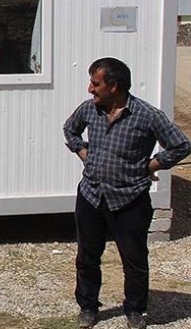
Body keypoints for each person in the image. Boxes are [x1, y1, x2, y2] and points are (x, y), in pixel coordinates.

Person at [63, 57, 190, 329]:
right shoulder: (89, 109)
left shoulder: (147, 115)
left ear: (114, 86)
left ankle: (134, 310)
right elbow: (70, 130)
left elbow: (181, 145)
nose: (90, 89)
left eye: (95, 84)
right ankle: (88, 306)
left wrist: (150, 166)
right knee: (87, 257)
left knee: (134, 260)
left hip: (130, 201)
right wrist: (83, 152)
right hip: (91, 196)